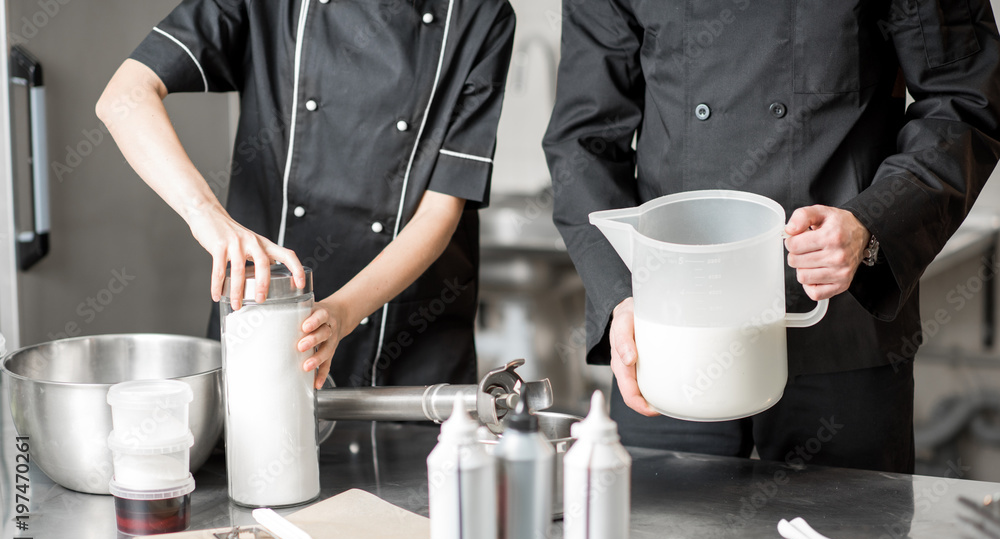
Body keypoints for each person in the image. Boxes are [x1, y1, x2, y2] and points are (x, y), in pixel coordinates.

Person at [543, 0, 1000, 473]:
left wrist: (870, 223)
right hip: (671, 334)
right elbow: (583, 141)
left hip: (842, 324)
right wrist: (622, 295)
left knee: (852, 519)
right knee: (663, 516)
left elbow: (962, 101)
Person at [97, 0, 516, 392]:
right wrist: (207, 215)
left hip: (409, 342)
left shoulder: (481, 13)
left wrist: (343, 312)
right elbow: (124, 96)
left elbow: (439, 212)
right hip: (266, 323)